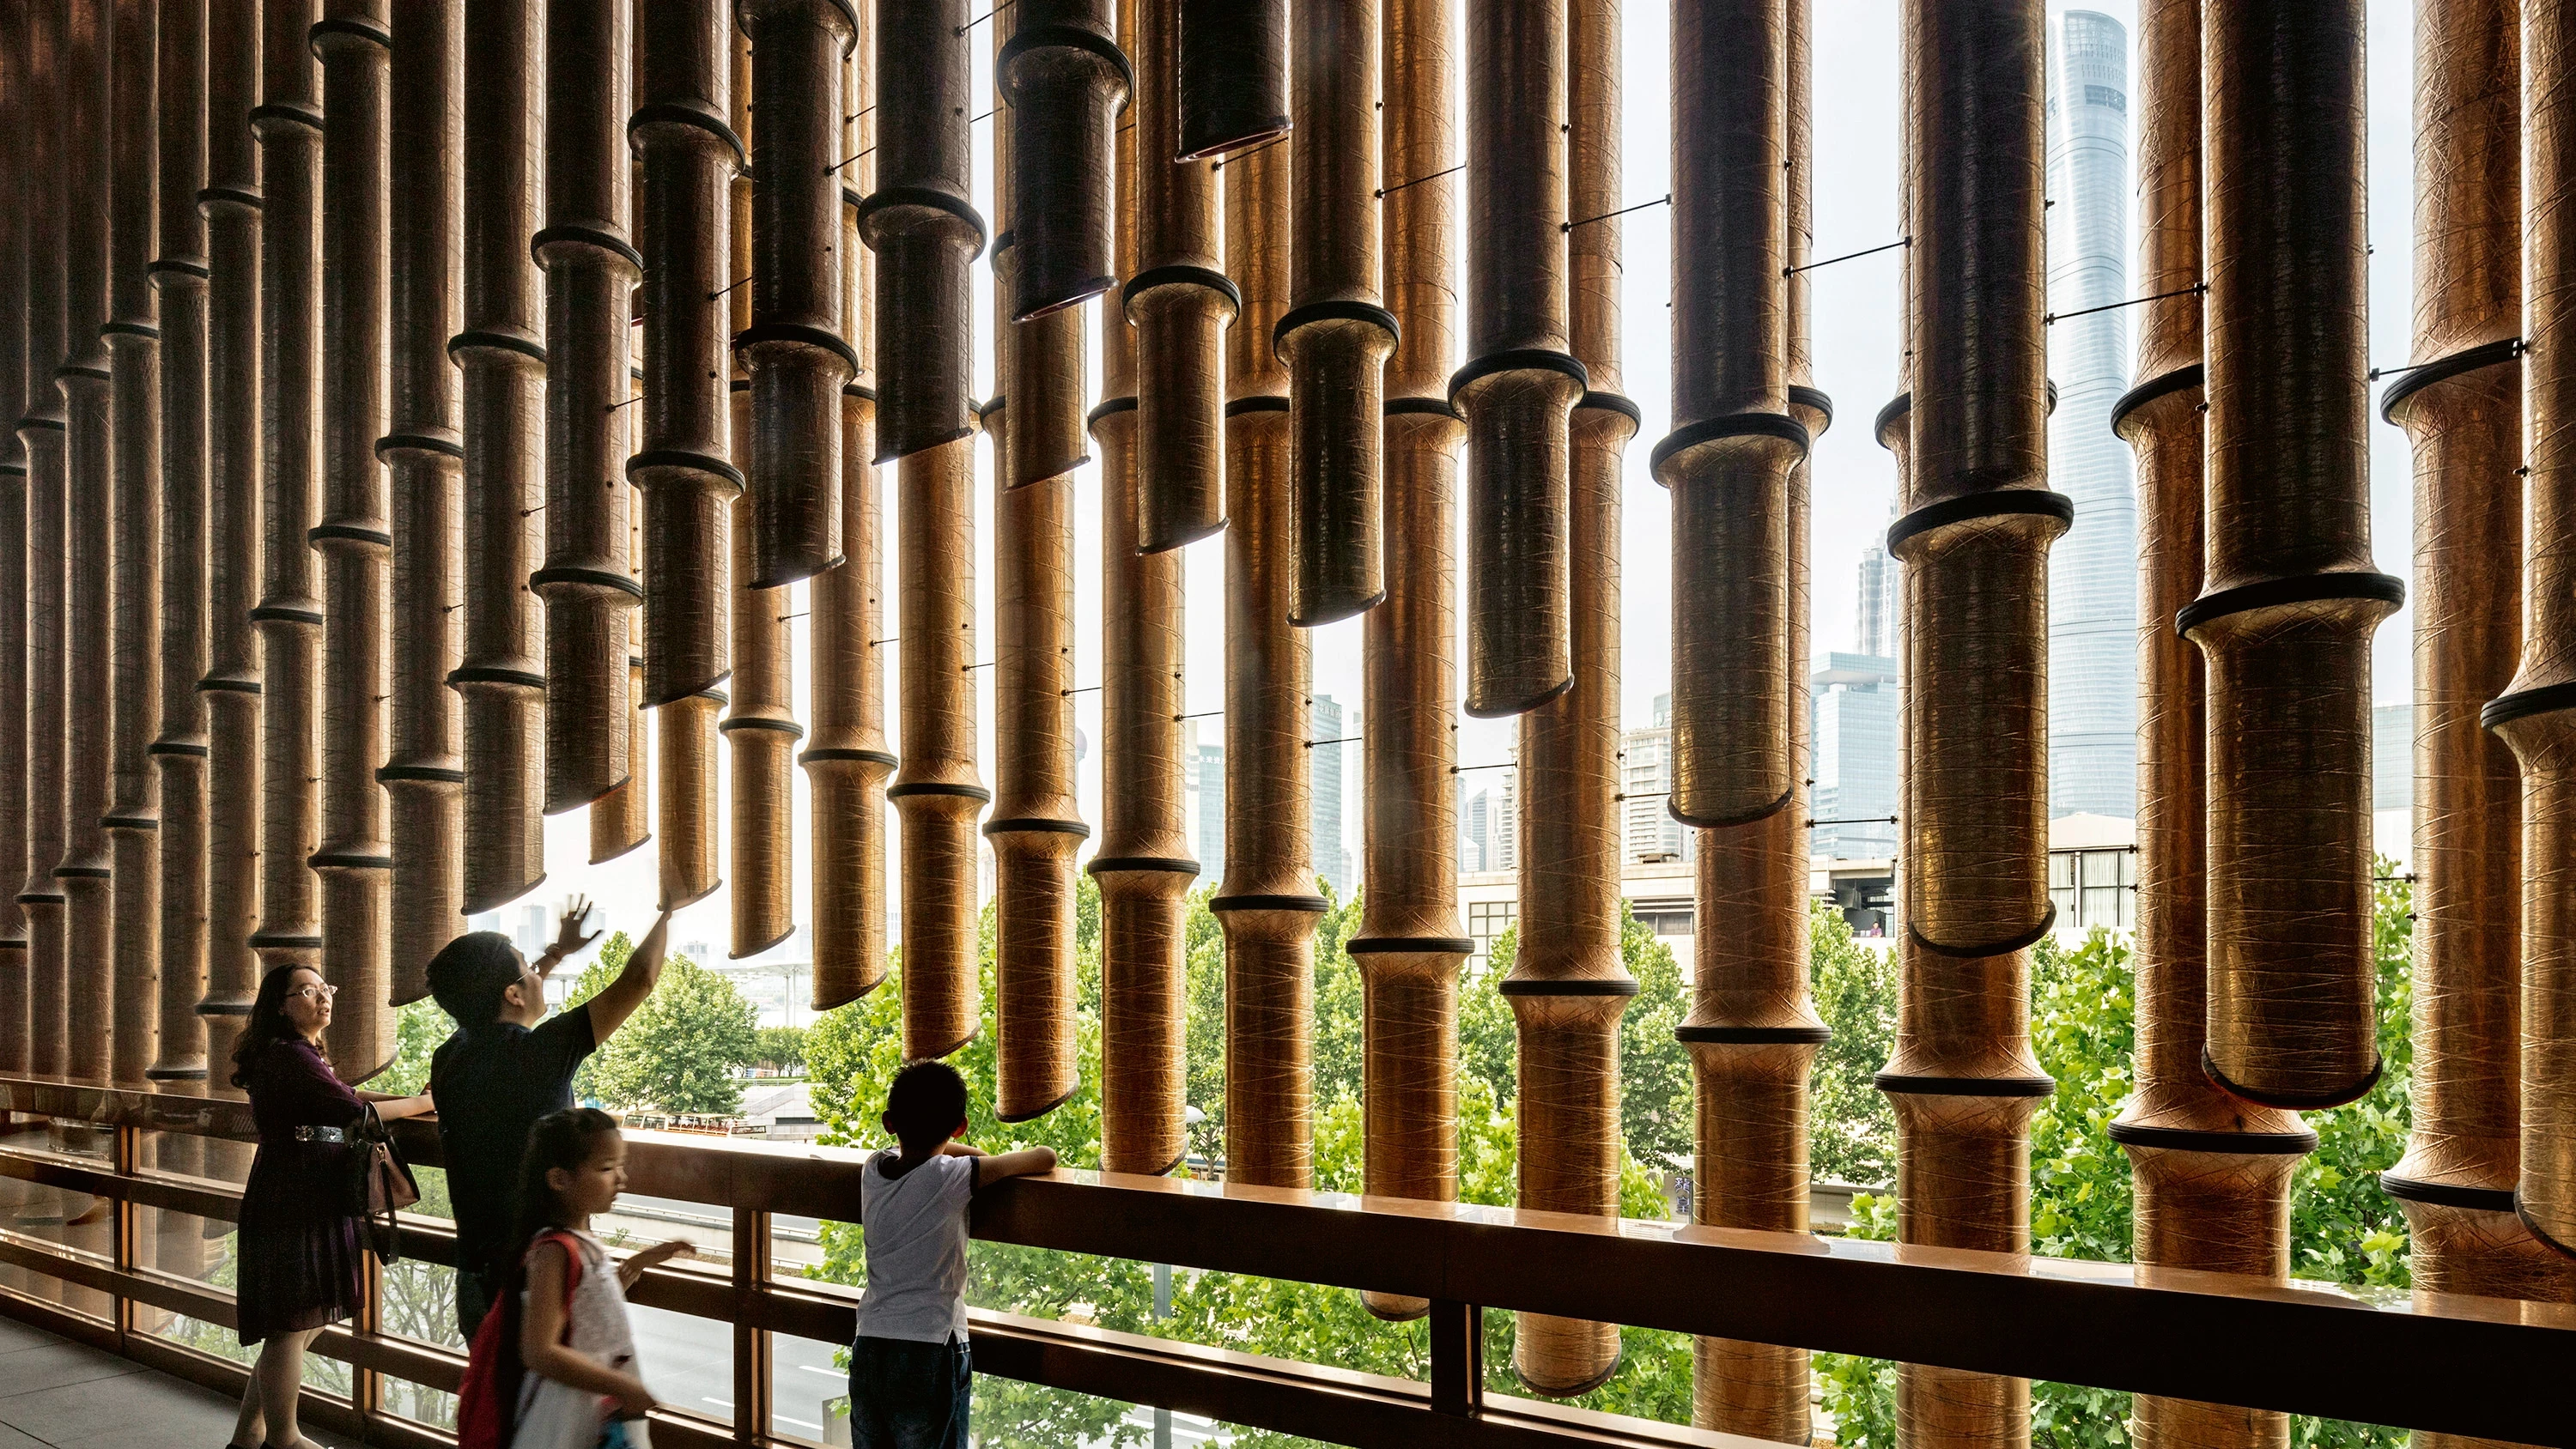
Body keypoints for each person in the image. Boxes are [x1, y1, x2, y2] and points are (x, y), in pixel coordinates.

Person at [429, 899, 674, 1337]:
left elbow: (498, 1001)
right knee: (550, 1400)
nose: (539, 974)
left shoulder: (449, 1057)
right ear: (513, 993)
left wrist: (555, 954)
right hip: (540, 1275)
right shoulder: (540, 1054)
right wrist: (669, 910)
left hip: (475, 1274)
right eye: (530, 969)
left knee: (497, 1400)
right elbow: (639, 979)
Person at [228, 964, 435, 1449]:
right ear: (280, 1005)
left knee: (301, 1322)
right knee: (293, 1322)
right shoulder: (290, 1056)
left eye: (326, 988)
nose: (322, 997)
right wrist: (426, 1104)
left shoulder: (298, 1055)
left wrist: (412, 1100)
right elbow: (356, 1112)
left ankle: (250, 1435)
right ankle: (285, 1439)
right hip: (295, 1197)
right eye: (307, 990)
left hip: (301, 1192)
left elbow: (348, 1096)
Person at [847, 1060, 1057, 1449]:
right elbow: (1045, 1157)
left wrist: (943, 1144)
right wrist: (964, 1153)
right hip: (931, 1344)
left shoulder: (872, 1168)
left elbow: (924, 1152)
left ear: (889, 1122)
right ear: (959, 1125)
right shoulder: (952, 1176)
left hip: (871, 1343)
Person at [509, 1108, 695, 1449]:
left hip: (592, 1407)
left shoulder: (580, 1243)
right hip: (567, 1413)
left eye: (620, 1166)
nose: (621, 1178)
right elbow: (539, 1351)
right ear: (559, 1179)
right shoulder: (554, 1251)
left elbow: (592, 1304)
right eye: (606, 1168)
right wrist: (623, 1386)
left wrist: (643, 1260)